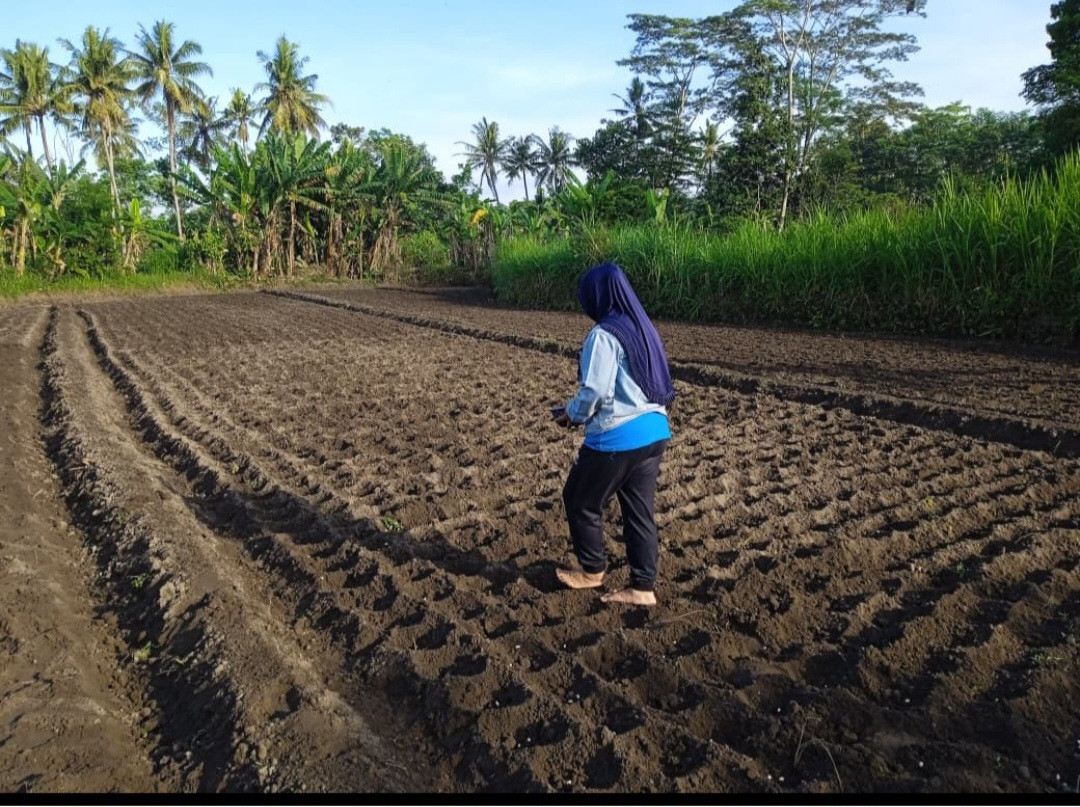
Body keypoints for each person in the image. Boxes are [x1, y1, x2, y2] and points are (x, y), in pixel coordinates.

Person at [553, 262, 676, 606]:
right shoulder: (643, 328)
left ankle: (592, 571)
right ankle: (642, 588)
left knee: (580, 498)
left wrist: (571, 415)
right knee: (639, 510)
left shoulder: (604, 334)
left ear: (598, 296)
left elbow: (593, 391)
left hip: (619, 436)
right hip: (655, 430)